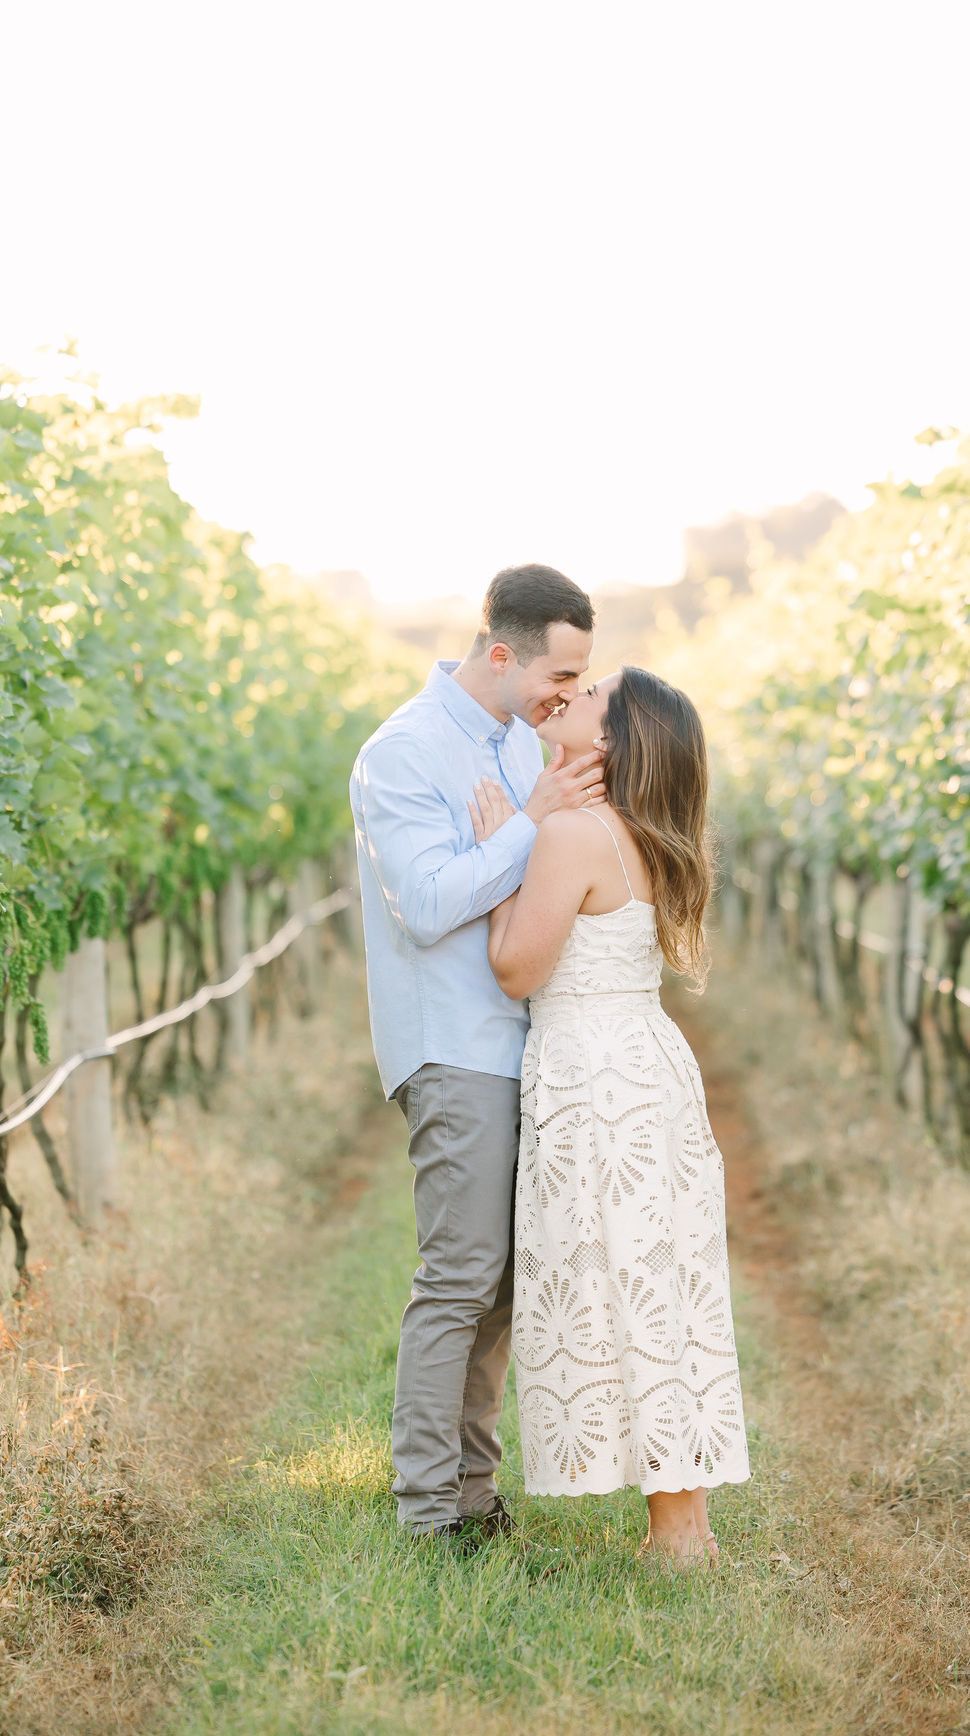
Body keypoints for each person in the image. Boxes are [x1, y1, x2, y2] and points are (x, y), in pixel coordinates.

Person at [349, 564, 607, 1542]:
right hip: (451, 1043)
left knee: (501, 1282)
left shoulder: (514, 741)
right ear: (503, 653)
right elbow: (425, 906)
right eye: (561, 676)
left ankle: (472, 1492)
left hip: (520, 1042)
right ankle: (426, 1510)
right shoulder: (403, 754)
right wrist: (534, 822)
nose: (570, 697)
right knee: (460, 1276)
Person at [479, 665, 750, 1563]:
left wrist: (498, 862)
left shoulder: (571, 834)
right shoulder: (633, 830)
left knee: (623, 1283)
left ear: (611, 742)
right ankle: (687, 1527)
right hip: (645, 1065)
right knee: (659, 1281)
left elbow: (518, 969)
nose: (574, 692)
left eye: (592, 693)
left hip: (594, 1076)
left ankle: (678, 1535)